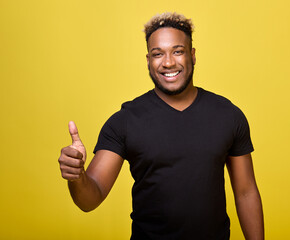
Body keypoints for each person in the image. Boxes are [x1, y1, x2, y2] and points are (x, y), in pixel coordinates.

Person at [58, 12, 264, 240]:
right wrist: (77, 177)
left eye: (177, 51)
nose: (168, 62)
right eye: (158, 54)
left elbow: (246, 193)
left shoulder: (228, 115)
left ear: (192, 55)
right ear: (148, 60)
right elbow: (90, 200)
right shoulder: (125, 121)